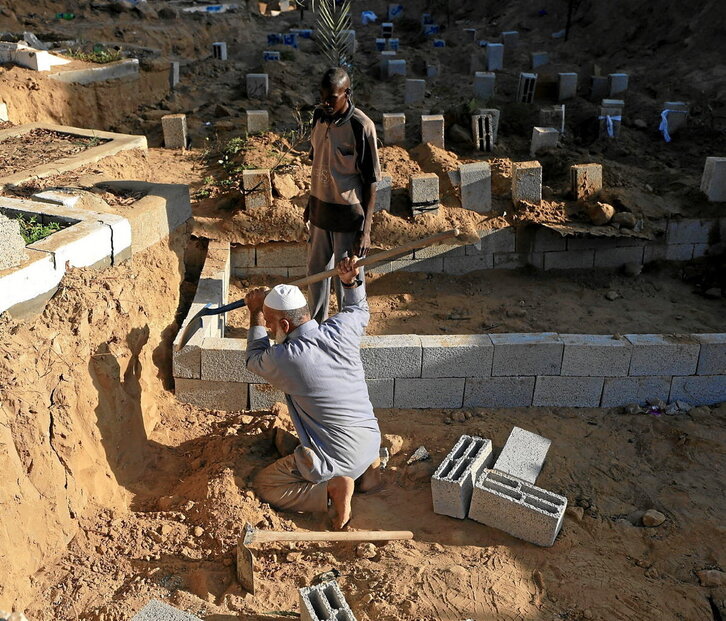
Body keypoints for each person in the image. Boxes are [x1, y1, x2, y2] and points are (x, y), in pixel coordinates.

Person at [245, 257, 381, 529]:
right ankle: (368, 473)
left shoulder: (287, 357)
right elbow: (358, 307)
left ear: (285, 326)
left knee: (266, 484)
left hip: (338, 458)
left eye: (272, 324)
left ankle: (331, 489)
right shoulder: (341, 329)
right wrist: (349, 281)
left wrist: (256, 312)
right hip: (369, 441)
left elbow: (253, 358)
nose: (270, 330)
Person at [305, 67, 381, 324]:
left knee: (346, 276)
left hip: (347, 217)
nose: (325, 103)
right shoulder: (318, 117)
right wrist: (309, 202)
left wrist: (366, 230)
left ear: (347, 93)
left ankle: (348, 327)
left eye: (332, 98)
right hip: (319, 211)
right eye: (322, 97)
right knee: (316, 275)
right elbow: (318, 162)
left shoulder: (361, 126)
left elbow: (371, 181)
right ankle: (315, 328)